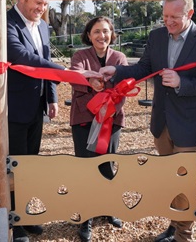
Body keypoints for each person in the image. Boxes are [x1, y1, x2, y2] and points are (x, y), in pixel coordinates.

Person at [100, 0, 196, 242]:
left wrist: (182, 83)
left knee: (185, 184)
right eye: (165, 16)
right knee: (168, 180)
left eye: (174, 17)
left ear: (190, 13)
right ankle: (173, 227)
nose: (168, 21)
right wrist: (115, 72)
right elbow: (143, 69)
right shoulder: (157, 36)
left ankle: (184, 236)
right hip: (162, 122)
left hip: (189, 125)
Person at [7, 0, 101, 242]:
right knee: (15, 165)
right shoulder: (6, 23)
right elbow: (21, 56)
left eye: (46, 4)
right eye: (38, 3)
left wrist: (52, 96)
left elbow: (44, 59)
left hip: (36, 106)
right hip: (13, 108)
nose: (42, 8)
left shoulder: (45, 26)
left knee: (30, 163)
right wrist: (67, 72)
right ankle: (14, 224)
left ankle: (24, 216)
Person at [69, 17, 128, 242]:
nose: (101, 36)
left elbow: (123, 88)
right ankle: (86, 217)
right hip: (84, 118)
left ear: (111, 34)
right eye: (96, 32)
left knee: (107, 165)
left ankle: (108, 207)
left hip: (112, 120)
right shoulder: (80, 56)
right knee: (86, 167)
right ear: (89, 34)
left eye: (105, 31)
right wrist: (94, 99)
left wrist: (108, 109)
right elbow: (75, 79)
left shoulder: (119, 58)